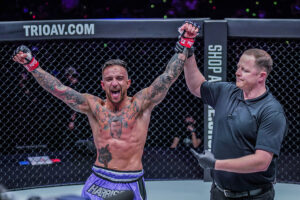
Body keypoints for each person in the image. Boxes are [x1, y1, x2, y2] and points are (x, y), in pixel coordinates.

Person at [12, 21, 200, 200]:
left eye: (119, 78)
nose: (115, 83)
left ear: (128, 83)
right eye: (109, 79)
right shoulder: (93, 106)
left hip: (130, 181)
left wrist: (185, 42)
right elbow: (59, 89)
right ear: (103, 84)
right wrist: (31, 65)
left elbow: (167, 77)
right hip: (99, 178)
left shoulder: (141, 104)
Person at [184, 45, 287, 199]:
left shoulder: (271, 111)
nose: (237, 73)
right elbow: (197, 86)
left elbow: (261, 161)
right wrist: (189, 54)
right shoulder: (227, 91)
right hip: (219, 192)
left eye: (244, 70)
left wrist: (216, 164)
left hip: (254, 196)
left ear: (261, 76)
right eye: (238, 67)